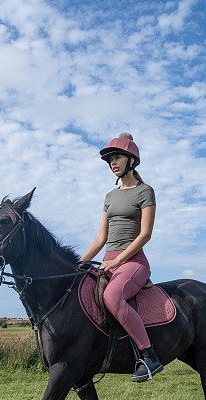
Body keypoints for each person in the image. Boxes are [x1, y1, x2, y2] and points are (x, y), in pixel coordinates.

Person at [79, 132, 164, 382]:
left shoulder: (145, 192)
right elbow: (100, 237)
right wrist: (82, 262)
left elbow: (145, 234)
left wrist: (117, 261)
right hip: (108, 260)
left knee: (112, 296)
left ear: (132, 160)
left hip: (134, 262)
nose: (113, 163)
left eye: (117, 158)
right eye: (110, 160)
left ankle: (149, 357)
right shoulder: (110, 196)